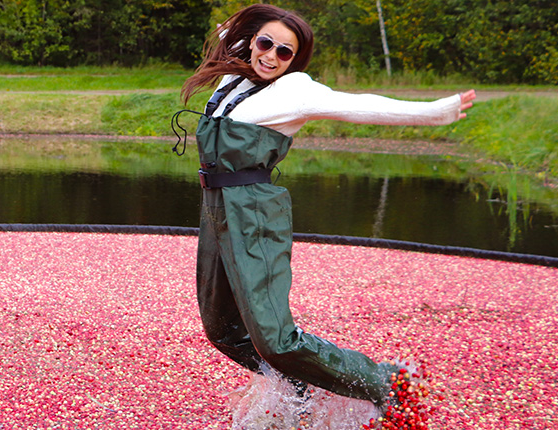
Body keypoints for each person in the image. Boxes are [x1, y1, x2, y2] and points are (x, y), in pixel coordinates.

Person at [175, 3, 476, 418]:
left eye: (285, 51)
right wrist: (240, 30)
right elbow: (231, 32)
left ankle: (387, 383)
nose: (271, 56)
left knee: (276, 339)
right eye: (266, 43)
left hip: (255, 214)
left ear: (295, 60)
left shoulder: (295, 90)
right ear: (252, 43)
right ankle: (300, 385)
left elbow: (363, 105)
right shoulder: (235, 76)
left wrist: (434, 112)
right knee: (222, 331)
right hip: (216, 208)